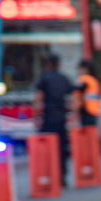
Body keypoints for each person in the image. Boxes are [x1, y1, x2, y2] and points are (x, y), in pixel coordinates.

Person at [33, 54, 73, 188]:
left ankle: (49, 176)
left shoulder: (44, 79)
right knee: (62, 149)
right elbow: (72, 98)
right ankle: (62, 177)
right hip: (62, 119)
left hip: (48, 119)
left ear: (47, 64)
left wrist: (35, 117)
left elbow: (38, 99)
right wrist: (72, 115)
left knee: (47, 150)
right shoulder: (64, 79)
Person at [73, 59, 101, 128]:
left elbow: (75, 90)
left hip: (86, 111)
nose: (78, 71)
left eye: (79, 69)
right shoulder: (93, 80)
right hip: (94, 111)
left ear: (85, 70)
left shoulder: (83, 78)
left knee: (87, 133)